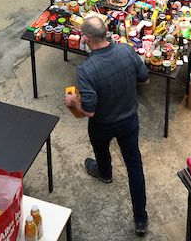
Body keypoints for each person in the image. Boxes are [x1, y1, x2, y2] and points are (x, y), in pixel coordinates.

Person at [64, 14, 150, 236]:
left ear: (86, 39)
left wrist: (73, 102)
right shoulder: (126, 50)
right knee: (134, 166)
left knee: (100, 148)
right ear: (106, 33)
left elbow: (90, 111)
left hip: (102, 124)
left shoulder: (86, 70)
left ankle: (105, 173)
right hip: (129, 120)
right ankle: (140, 219)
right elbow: (145, 79)